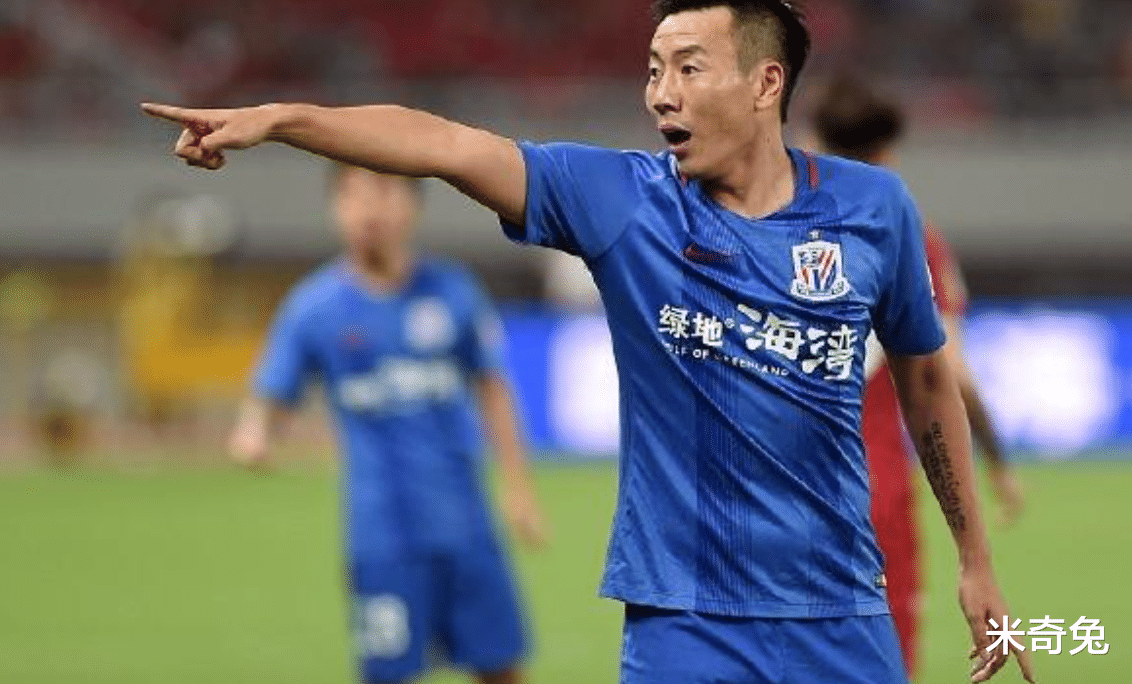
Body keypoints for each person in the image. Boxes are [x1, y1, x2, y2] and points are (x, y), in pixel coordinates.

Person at [144, 1, 1034, 681]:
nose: (660, 93)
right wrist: (283, 118)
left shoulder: (874, 209)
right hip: (684, 623)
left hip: (841, 613)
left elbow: (927, 382)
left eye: (688, 68)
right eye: (653, 69)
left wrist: (976, 561)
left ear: (766, 84)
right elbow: (445, 144)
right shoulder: (622, 202)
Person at [227, 163, 546, 684]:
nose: (368, 209)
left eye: (383, 192)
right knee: (387, 673)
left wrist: (518, 489)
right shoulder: (315, 307)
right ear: (334, 209)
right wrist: (254, 432)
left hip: (467, 526)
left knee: (501, 668)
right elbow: (270, 392)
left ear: (413, 204)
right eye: (351, 196)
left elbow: (493, 387)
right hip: (382, 535)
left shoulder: (452, 291)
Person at [810, 71, 1027, 679]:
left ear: (815, 144)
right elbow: (950, 374)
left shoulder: (776, 232)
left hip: (783, 495)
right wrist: (998, 464)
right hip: (875, 490)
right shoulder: (907, 238)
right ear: (887, 153)